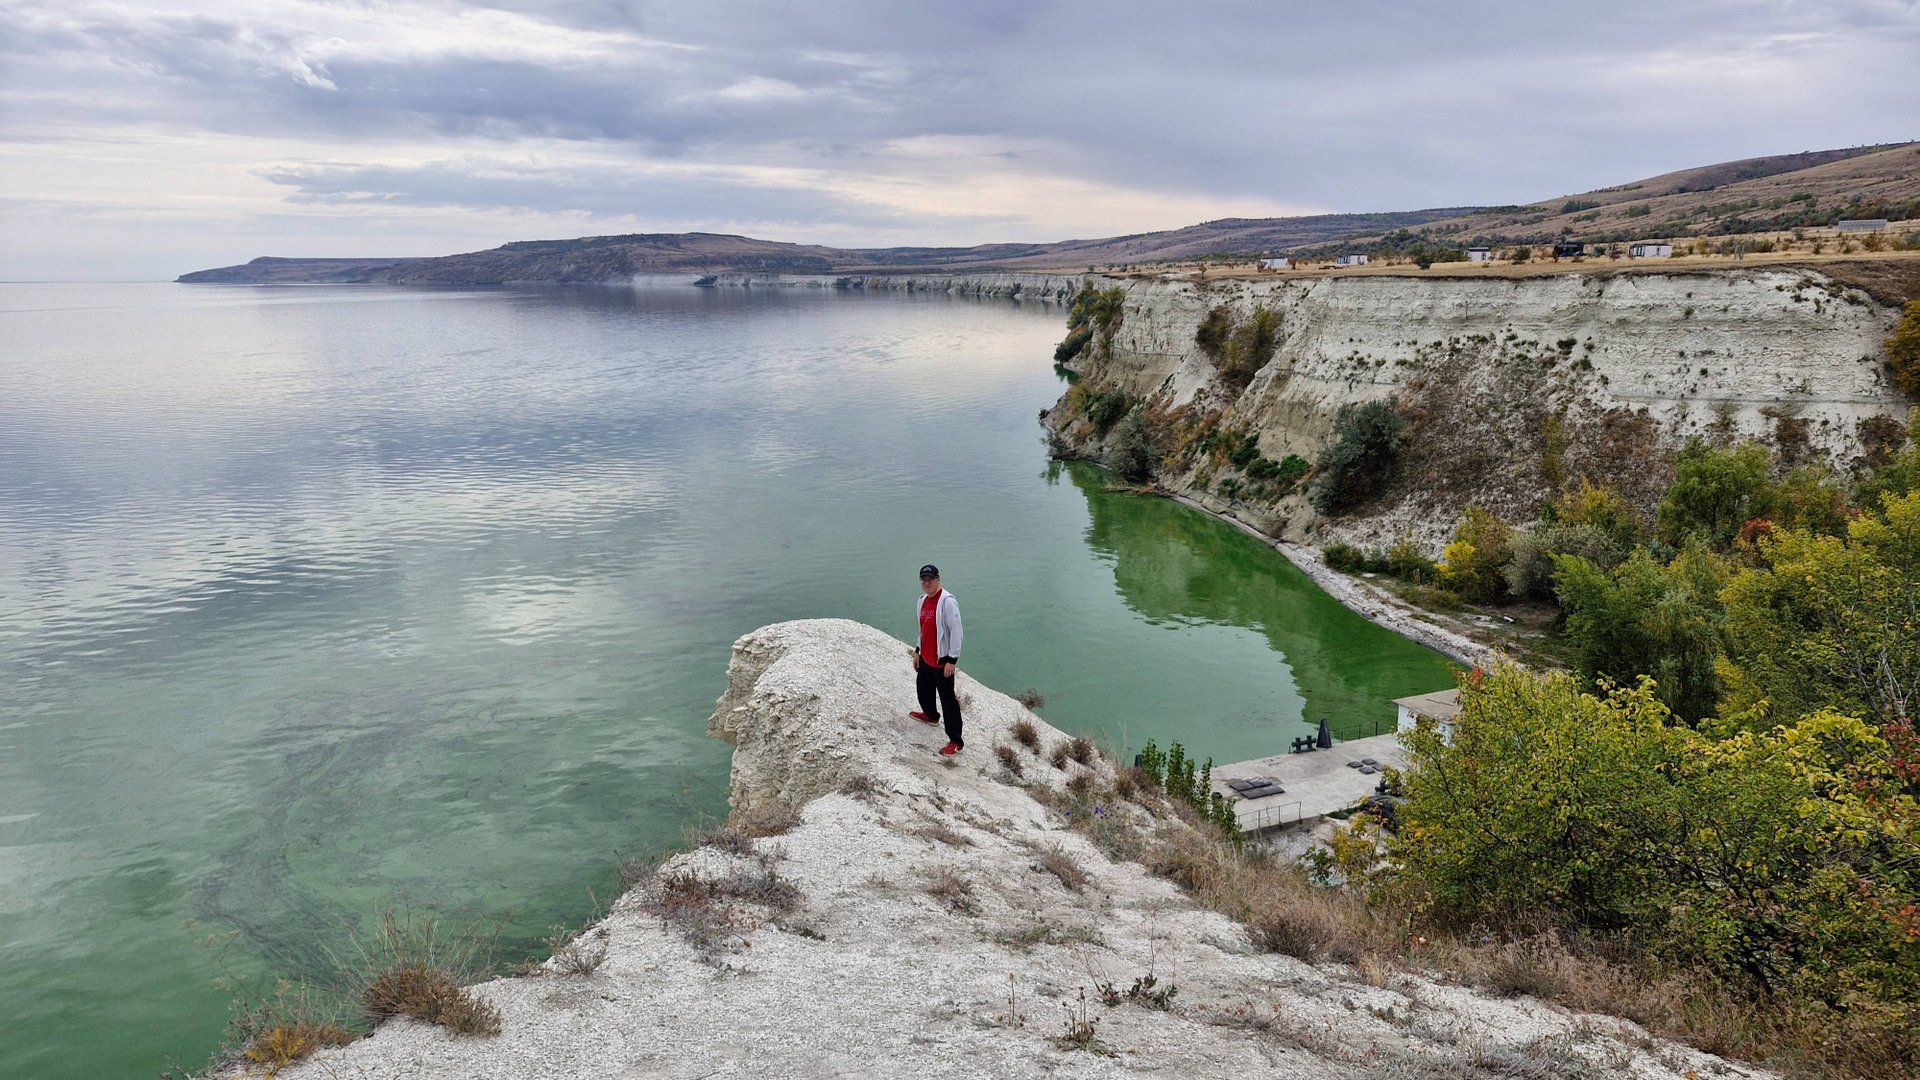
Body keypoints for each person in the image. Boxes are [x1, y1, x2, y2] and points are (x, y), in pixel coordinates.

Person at [907, 563, 964, 755]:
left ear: (938, 579)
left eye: (930, 579)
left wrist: (952, 660)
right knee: (923, 689)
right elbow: (923, 629)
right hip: (926, 658)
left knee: (948, 701)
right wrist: (918, 650)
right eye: (924, 580)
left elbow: (957, 631)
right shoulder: (922, 601)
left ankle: (955, 741)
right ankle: (931, 716)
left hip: (942, 661)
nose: (927, 583)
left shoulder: (947, 602)